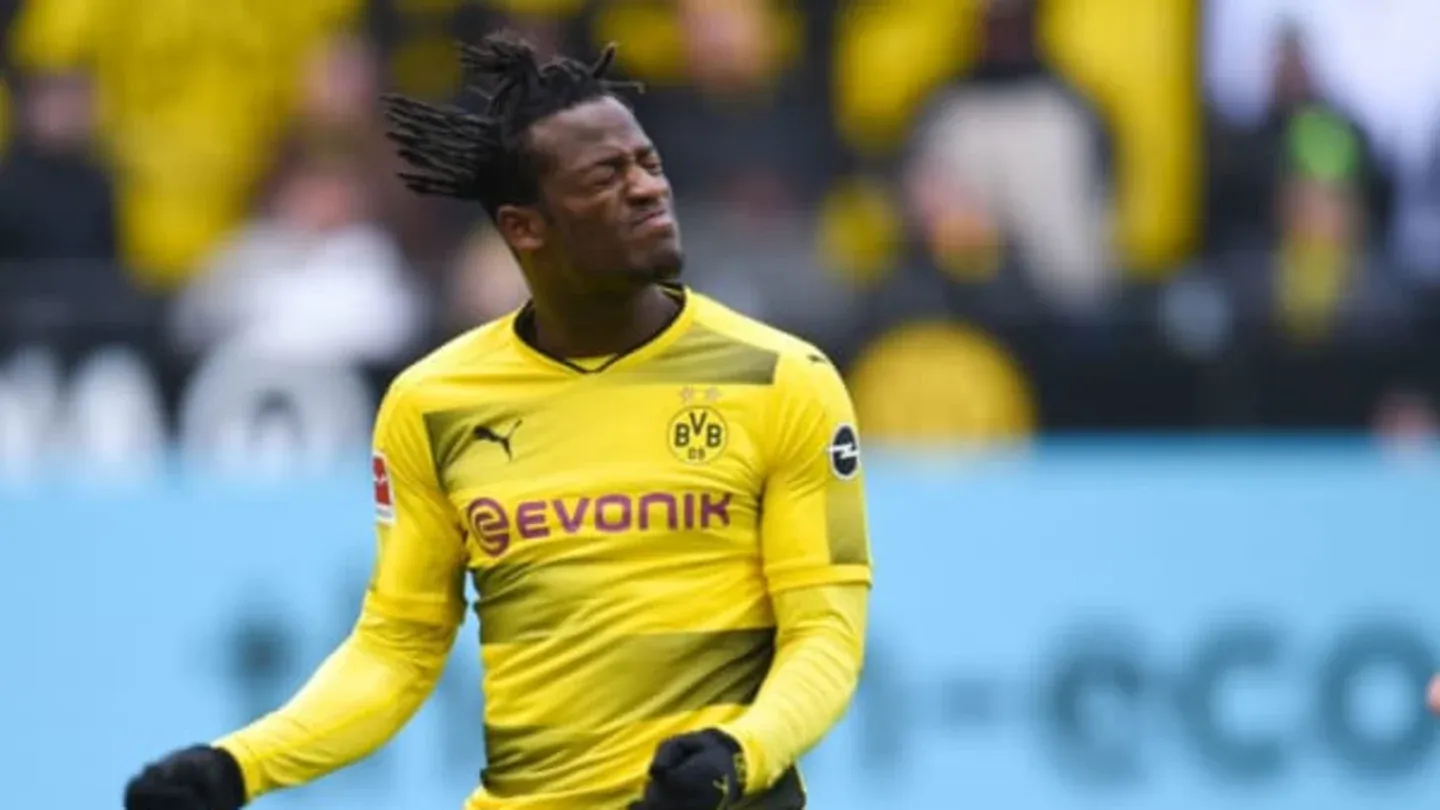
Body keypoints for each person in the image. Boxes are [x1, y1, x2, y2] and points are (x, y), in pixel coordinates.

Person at [123, 31, 872, 810]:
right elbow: (397, 651)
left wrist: (740, 754)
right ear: (525, 227)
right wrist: (237, 765)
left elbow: (825, 635)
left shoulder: (782, 380)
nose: (648, 189)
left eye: (648, 163)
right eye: (606, 176)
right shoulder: (435, 403)